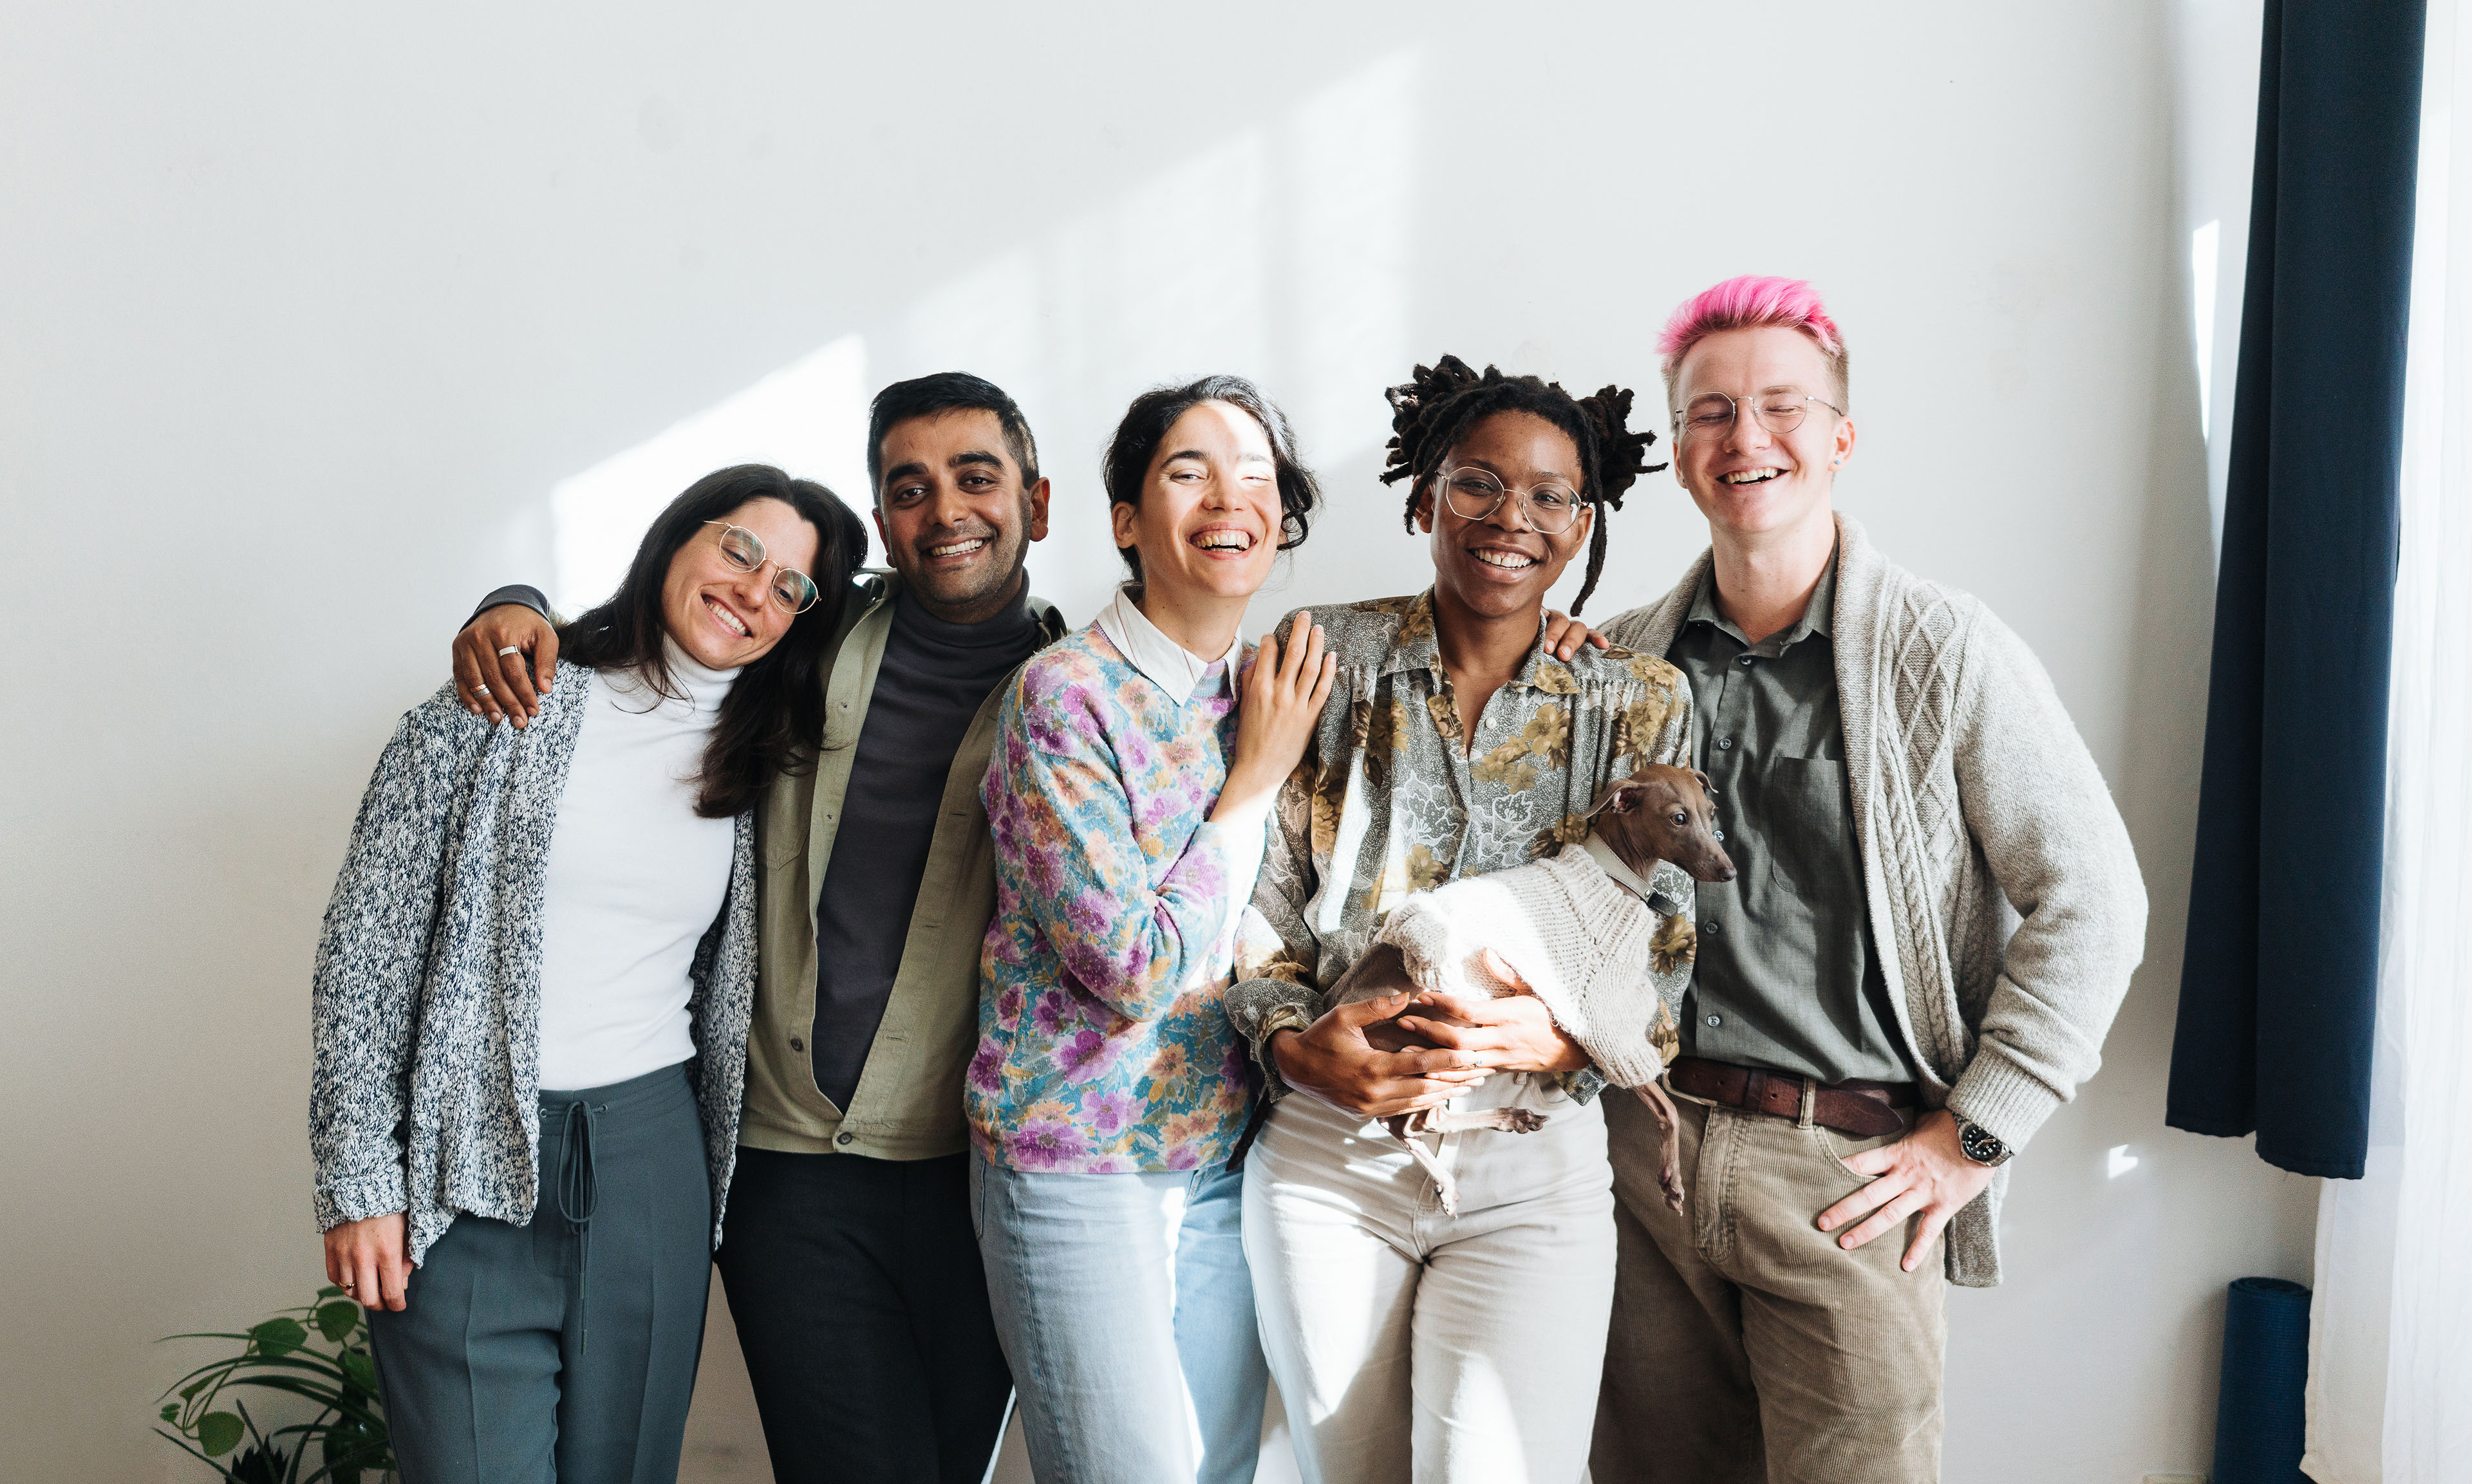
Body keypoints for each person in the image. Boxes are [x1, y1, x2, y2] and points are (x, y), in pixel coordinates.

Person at [448, 375, 1060, 1483]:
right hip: (791, 1173)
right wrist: (517, 597)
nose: (946, 510)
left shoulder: (1080, 692)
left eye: (977, 477)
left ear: (1039, 501)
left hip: (985, 1174)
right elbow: (671, 627)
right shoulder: (807, 643)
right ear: (884, 523)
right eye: (909, 489)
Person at [1587, 277, 2148, 1484]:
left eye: (1783, 407)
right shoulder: (1623, 664)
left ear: (1840, 437)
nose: (1748, 437)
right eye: (1712, 412)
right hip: (1644, 1163)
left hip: (1847, 1179)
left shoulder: (1947, 651)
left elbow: (2096, 898)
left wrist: (1975, 1135)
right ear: (1680, 454)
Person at [312, 463, 868, 1484]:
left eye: (790, 586)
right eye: (739, 550)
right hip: (468, 1175)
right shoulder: (497, 707)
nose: (753, 591)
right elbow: (365, 955)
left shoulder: (766, 766)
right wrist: (358, 1183)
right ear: (675, 538)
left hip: (652, 1167)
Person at [1221, 357, 1692, 1484]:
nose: (1509, 519)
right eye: (1478, 483)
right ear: (1424, 494)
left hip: (1532, 1161)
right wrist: (1293, 1043)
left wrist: (1571, 1039)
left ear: (1583, 528)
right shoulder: (1320, 655)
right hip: (1333, 1159)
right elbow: (1255, 892)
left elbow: (1666, 943)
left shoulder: (1638, 698)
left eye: (1548, 497)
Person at [969, 376, 1334, 1483]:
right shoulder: (1063, 696)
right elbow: (1134, 967)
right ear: (1127, 521)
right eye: (1189, 471)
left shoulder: (1277, 685)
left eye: (1256, 475)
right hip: (1078, 1163)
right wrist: (1256, 781)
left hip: (1225, 1157)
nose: (1230, 497)